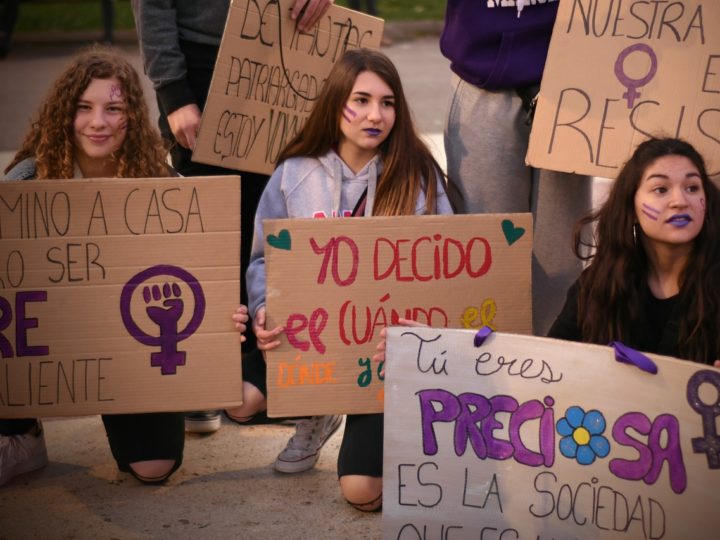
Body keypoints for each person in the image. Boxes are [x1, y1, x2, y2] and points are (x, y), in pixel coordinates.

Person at [0, 46, 249, 486]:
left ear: (131, 116)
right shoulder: (26, 185)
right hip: (53, 338)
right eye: (84, 108)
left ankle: (174, 402)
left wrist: (220, 320)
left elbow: (201, 277)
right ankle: (20, 433)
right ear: (65, 114)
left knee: (154, 467)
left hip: (129, 349)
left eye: (113, 108)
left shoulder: (165, 188)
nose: (98, 122)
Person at [244, 48, 453, 510]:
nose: (375, 115)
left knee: (362, 492)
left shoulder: (420, 176)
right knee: (239, 401)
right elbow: (262, 261)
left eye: (387, 102)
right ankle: (318, 413)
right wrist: (264, 309)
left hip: (384, 355)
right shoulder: (294, 173)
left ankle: (393, 430)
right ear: (336, 102)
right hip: (312, 340)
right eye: (360, 100)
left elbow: (447, 272)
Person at [131, 0, 333, 434]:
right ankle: (205, 375)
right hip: (203, 65)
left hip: (288, 53)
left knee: (278, 223)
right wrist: (173, 90)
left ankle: (263, 376)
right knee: (211, 233)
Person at [440, 0, 591, 336]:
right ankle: (489, 377)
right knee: (483, 256)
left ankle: (553, 372)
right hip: (483, 78)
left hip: (573, 84)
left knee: (562, 260)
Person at [548, 137, 720, 368]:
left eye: (692, 188)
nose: (680, 201)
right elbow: (549, 364)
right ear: (631, 205)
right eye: (661, 189)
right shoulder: (596, 286)